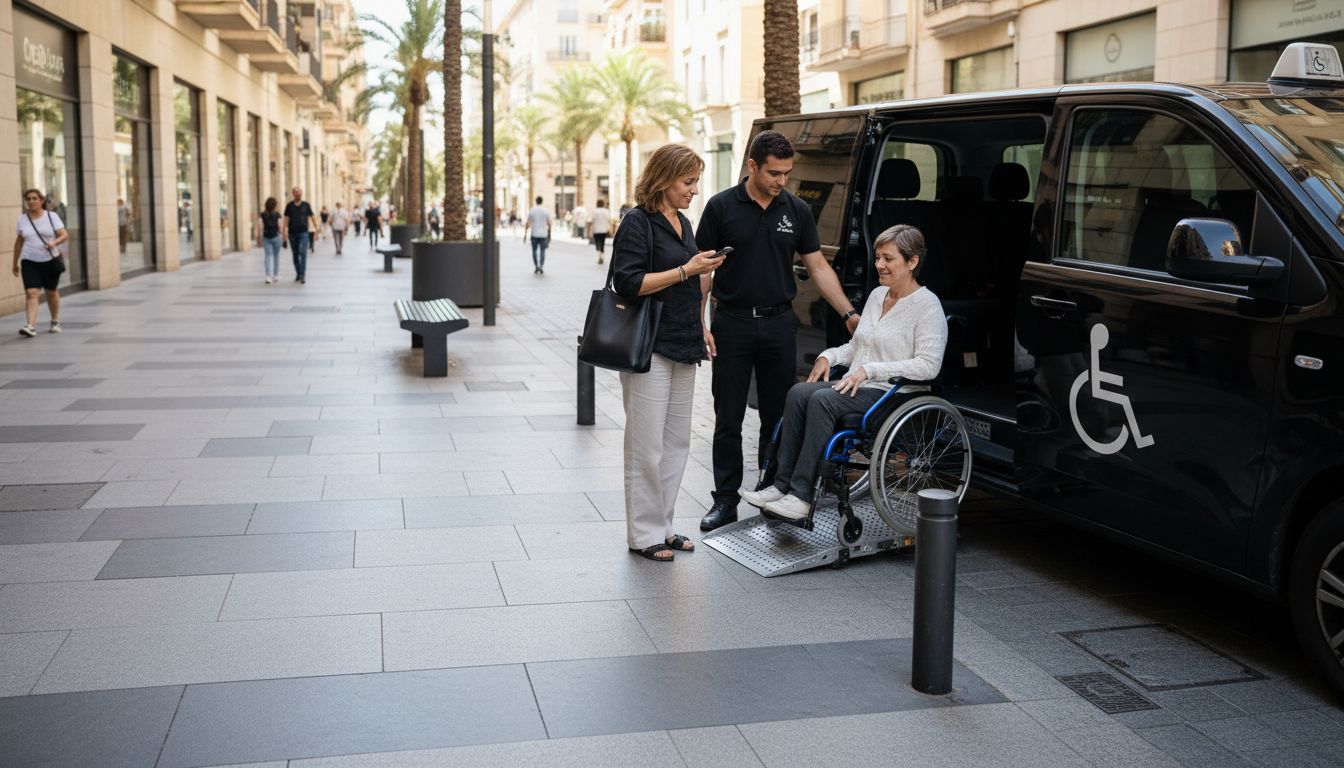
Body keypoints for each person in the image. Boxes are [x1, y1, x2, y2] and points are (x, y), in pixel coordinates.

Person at [695, 129, 863, 532]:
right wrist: (698, 322)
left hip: (778, 323)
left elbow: (818, 266)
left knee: (776, 415)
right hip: (731, 322)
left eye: (787, 172)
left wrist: (848, 313)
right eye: (774, 172)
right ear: (752, 166)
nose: (782, 180)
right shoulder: (721, 208)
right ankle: (725, 500)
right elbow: (702, 268)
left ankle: (772, 490)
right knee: (728, 416)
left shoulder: (796, 210)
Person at [739, 225, 946, 520]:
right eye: (877, 258)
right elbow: (857, 345)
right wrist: (828, 356)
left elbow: (929, 365)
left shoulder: (927, 306)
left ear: (912, 262)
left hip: (896, 392)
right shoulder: (877, 296)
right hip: (861, 386)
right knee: (799, 392)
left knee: (824, 400)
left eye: (888, 259)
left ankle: (801, 495)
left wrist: (870, 370)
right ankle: (781, 485)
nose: (879, 265)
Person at [612, 143, 727, 561]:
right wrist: (685, 270)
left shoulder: (683, 221)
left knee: (677, 441)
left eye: (696, 182)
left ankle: (663, 524)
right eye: (688, 181)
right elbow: (626, 282)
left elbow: (689, 284)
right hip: (649, 346)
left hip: (684, 341)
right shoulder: (636, 223)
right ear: (663, 179)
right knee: (646, 445)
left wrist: (702, 323)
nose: (694, 190)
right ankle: (643, 534)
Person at [11, 189, 67, 337]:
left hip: (50, 260)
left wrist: (54, 242)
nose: (31, 201)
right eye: (28, 199)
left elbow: (64, 234)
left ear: (41, 201)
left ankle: (54, 320)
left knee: (51, 291)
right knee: (31, 292)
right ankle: (30, 325)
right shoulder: (22, 219)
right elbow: (19, 242)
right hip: (29, 260)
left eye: (34, 198)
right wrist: (14, 262)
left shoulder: (51, 216)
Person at [282, 186, 316, 284]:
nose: (297, 193)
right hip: (292, 233)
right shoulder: (289, 206)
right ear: (293, 194)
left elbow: (312, 216)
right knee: (295, 254)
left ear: (301, 193)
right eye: (295, 192)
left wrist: (317, 228)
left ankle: (302, 275)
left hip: (304, 232)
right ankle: (298, 273)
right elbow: (286, 219)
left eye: (299, 192)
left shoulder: (306, 205)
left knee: (303, 252)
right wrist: (284, 232)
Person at [257, 196, 282, 284]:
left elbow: (260, 226)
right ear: (275, 205)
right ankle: (276, 275)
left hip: (266, 237)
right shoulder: (277, 214)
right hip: (276, 236)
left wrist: (259, 237)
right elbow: (280, 225)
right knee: (276, 256)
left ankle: (268, 276)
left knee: (267, 256)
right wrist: (282, 235)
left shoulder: (262, 214)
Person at [524, 195, 551, 274]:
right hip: (543, 234)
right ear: (542, 201)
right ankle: (541, 266)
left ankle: (536, 266)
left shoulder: (532, 210)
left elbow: (528, 223)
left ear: (536, 201)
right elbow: (549, 223)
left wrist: (525, 235)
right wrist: (550, 235)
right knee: (543, 251)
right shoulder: (545, 211)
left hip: (534, 234)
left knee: (534, 251)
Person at [590, 199, 612, 264]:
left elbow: (592, 220)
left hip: (596, 230)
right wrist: (610, 229)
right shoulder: (606, 211)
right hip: (604, 230)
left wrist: (590, 229)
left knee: (597, 243)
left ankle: (599, 255)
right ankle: (602, 256)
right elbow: (609, 220)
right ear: (603, 204)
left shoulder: (594, 211)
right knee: (602, 243)